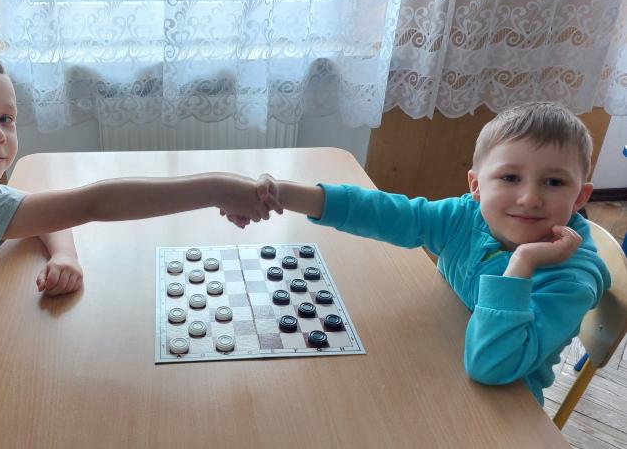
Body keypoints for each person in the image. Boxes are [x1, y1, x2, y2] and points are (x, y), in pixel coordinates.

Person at [0, 42, 282, 449]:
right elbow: (92, 204)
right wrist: (216, 188)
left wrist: (64, 254)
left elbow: (40, 210)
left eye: (6, 118)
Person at [227, 102, 611, 406]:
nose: (529, 198)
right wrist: (284, 194)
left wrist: (522, 264)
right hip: (435, 359)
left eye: (554, 182)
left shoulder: (572, 279)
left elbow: (492, 366)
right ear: (476, 186)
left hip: (500, 408)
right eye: (510, 177)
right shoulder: (467, 216)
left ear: (580, 196)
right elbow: (389, 214)